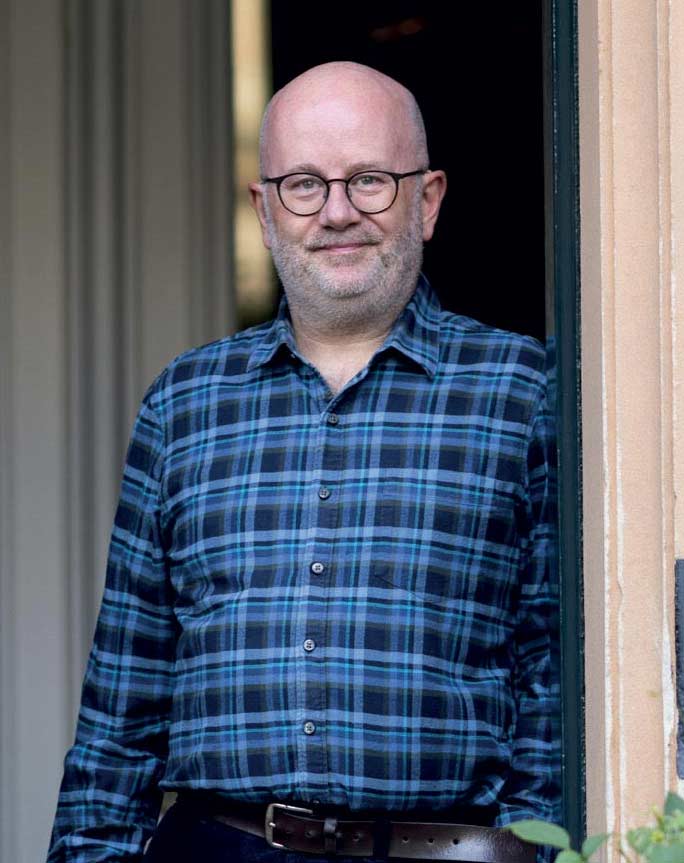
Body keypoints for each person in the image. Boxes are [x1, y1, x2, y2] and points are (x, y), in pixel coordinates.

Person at [48, 61, 558, 863]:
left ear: (427, 201)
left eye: (369, 180)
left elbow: (552, 676)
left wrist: (540, 851)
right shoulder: (185, 403)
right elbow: (124, 693)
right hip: (215, 846)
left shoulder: (524, 392)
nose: (337, 212)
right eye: (304, 184)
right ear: (264, 209)